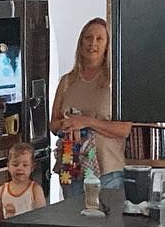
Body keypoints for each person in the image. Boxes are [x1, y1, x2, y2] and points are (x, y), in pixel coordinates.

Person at [51, 18, 134, 196]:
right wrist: (69, 125)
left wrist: (87, 122)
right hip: (72, 168)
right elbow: (54, 124)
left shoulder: (115, 82)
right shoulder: (67, 81)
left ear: (108, 45)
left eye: (99, 38)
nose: (93, 43)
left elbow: (124, 130)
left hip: (108, 171)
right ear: (81, 42)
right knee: (72, 213)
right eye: (88, 38)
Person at [0, 142, 48, 227]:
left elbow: (42, 216)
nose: (20, 168)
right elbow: (1, 212)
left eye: (25, 165)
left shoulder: (35, 189)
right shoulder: (3, 190)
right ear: (8, 166)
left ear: (32, 168)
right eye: (15, 165)